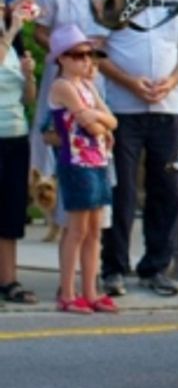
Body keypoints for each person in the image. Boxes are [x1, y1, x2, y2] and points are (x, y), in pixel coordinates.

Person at [98, 0, 178, 298]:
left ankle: (157, 267)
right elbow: (97, 53)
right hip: (123, 109)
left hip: (167, 108)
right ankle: (113, 268)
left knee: (168, 189)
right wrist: (129, 82)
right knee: (121, 190)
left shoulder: (174, 4)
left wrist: (172, 81)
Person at [47, 24, 118, 314]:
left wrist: (99, 120)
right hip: (76, 163)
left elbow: (112, 121)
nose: (85, 60)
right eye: (77, 55)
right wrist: (100, 121)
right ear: (62, 58)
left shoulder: (87, 86)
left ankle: (90, 291)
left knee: (93, 231)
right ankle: (67, 292)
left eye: (88, 54)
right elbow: (90, 124)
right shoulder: (62, 86)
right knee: (76, 230)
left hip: (98, 161)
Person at [32, 0, 107, 182]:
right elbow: (39, 31)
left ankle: (101, 206)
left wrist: (92, 55)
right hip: (63, 75)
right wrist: (68, 52)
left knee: (99, 134)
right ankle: (60, 204)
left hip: (100, 72)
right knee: (63, 134)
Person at [0, 0, 38, 305]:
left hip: (15, 134)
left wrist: (28, 75)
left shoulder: (13, 44)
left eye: (2, 5)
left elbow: (28, 98)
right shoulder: (8, 40)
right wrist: (10, 32)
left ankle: (9, 279)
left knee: (11, 213)